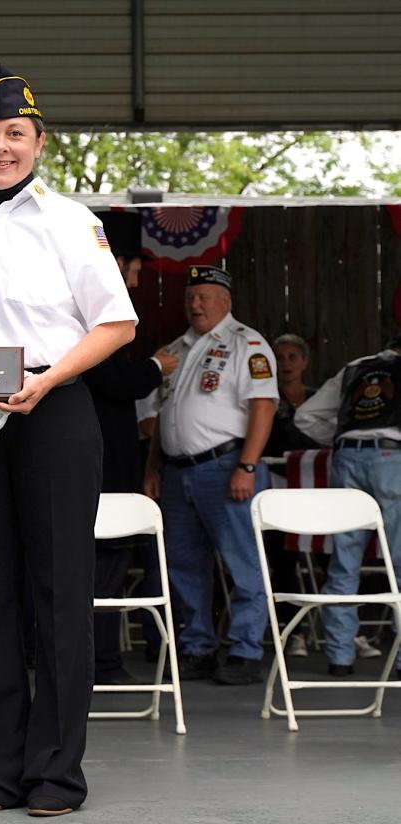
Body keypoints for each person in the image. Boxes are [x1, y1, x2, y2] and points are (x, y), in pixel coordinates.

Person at [0, 65, 138, 817]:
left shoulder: (73, 222)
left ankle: (55, 773)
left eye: (14, 134)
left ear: (39, 141)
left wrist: (46, 378)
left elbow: (116, 323)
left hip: (55, 412)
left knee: (61, 593)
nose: (0, 147)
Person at [142, 266, 277, 685]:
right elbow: (161, 415)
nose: (195, 304)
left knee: (242, 560)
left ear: (226, 301)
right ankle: (198, 647)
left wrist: (248, 465)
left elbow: (263, 406)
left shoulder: (246, 344)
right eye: (190, 297)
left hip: (226, 466)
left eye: (204, 296)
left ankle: (245, 650)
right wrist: (152, 467)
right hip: (177, 471)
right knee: (183, 563)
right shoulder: (174, 350)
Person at [84, 212, 177, 684]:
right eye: (135, 268)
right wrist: (157, 368)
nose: (137, 278)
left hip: (101, 454)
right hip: (101, 458)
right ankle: (101, 661)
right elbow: (110, 377)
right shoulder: (97, 308)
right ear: (116, 261)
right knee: (106, 560)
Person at [294, 337, 401, 676]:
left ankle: (340, 657)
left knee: (344, 561)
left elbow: (305, 417)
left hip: (347, 458)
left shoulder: (356, 367)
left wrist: (346, 438)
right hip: (393, 457)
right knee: (400, 562)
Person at [261, 333, 323, 658]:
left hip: (315, 491)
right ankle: (292, 631)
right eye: (280, 357)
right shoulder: (266, 399)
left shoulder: (318, 399)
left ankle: (343, 631)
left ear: (305, 361)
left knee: (330, 557)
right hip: (277, 489)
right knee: (284, 559)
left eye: (292, 357)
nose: (286, 364)